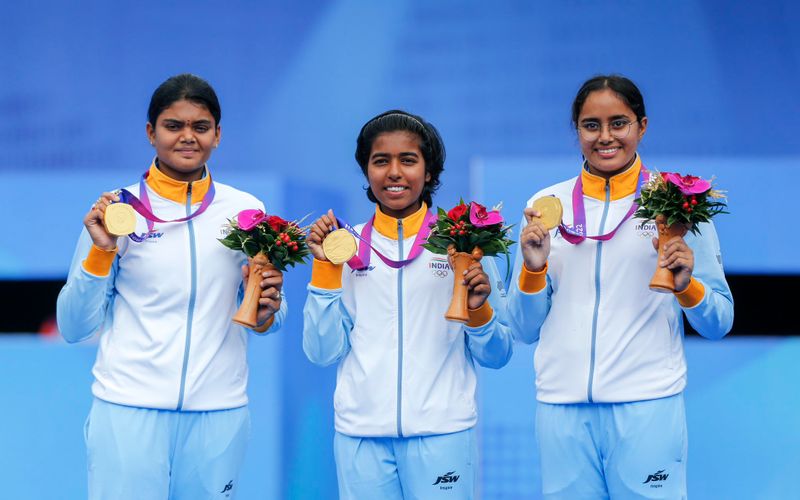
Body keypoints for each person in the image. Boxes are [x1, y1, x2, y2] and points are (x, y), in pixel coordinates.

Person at [57, 73, 286, 500]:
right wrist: (101, 252)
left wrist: (269, 310)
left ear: (217, 135)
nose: (187, 137)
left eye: (200, 127)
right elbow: (73, 326)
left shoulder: (247, 210)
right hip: (128, 410)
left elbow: (267, 316)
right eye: (173, 125)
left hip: (218, 413)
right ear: (150, 132)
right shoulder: (116, 211)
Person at [507, 75, 733, 499]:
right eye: (591, 125)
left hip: (647, 406)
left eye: (619, 123)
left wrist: (687, 287)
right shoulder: (543, 207)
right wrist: (534, 270)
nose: (605, 137)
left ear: (641, 126)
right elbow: (522, 329)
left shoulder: (677, 203)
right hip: (561, 409)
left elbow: (719, 320)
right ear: (576, 130)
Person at [303, 110, 513, 499]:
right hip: (360, 436)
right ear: (366, 171)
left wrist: (479, 311)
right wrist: (324, 269)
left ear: (430, 171)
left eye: (409, 160)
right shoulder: (344, 248)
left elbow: (498, 353)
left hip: (443, 432)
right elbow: (321, 352)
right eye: (381, 161)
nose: (394, 172)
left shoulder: (464, 244)